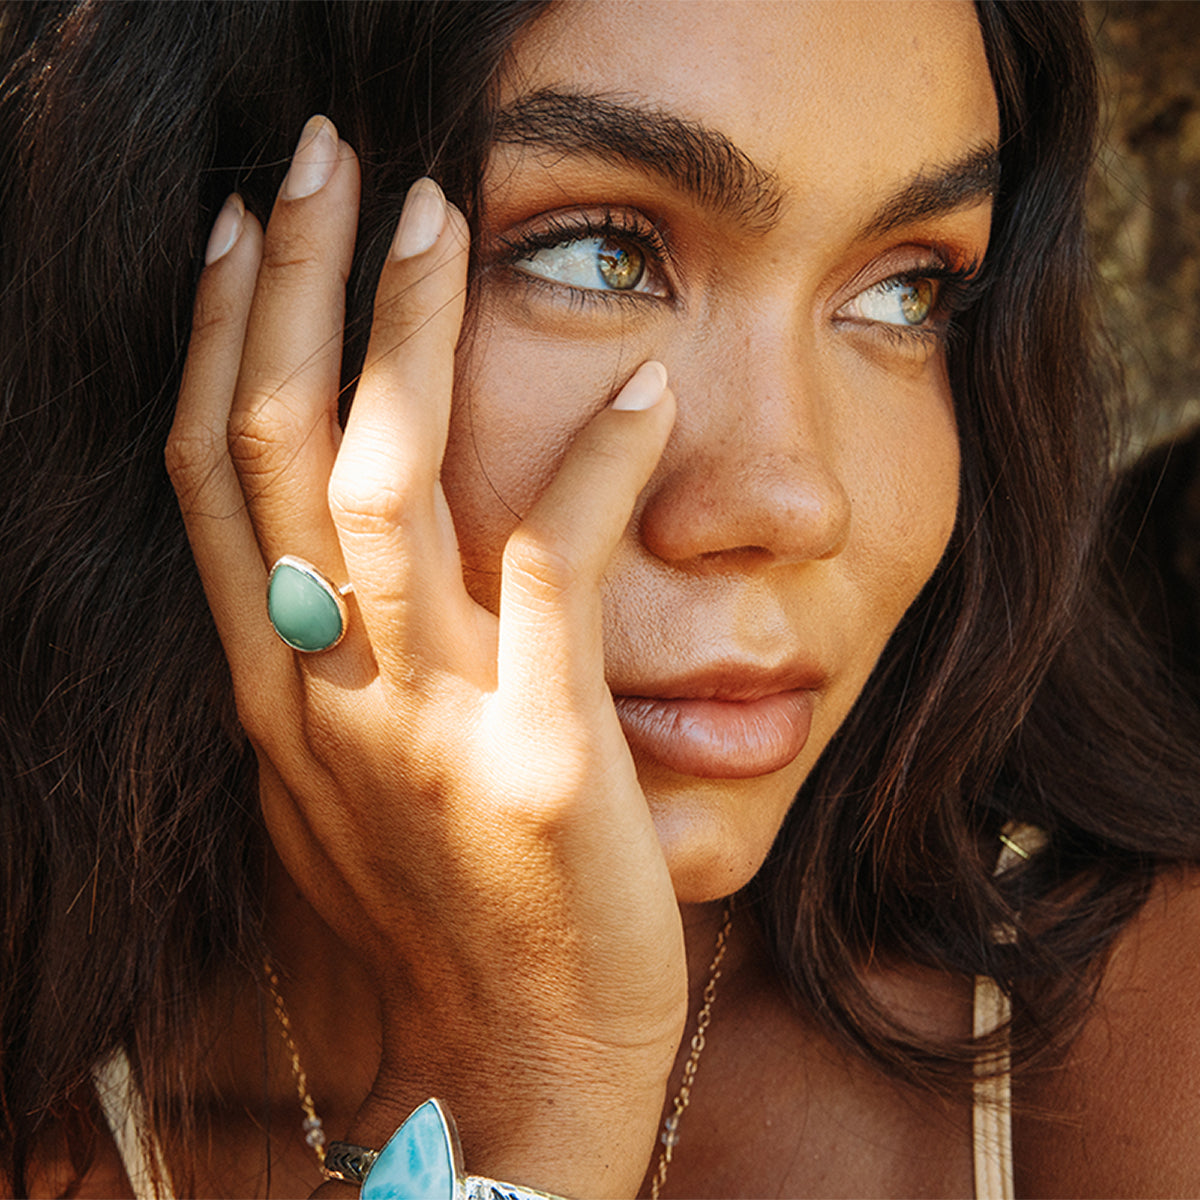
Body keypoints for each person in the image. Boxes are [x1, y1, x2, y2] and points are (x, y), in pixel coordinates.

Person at [2, 1, 1199, 1196]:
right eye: (600, 256)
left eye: (907, 291)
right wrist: (520, 1105)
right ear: (224, 292)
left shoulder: (1137, 1040)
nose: (793, 503)